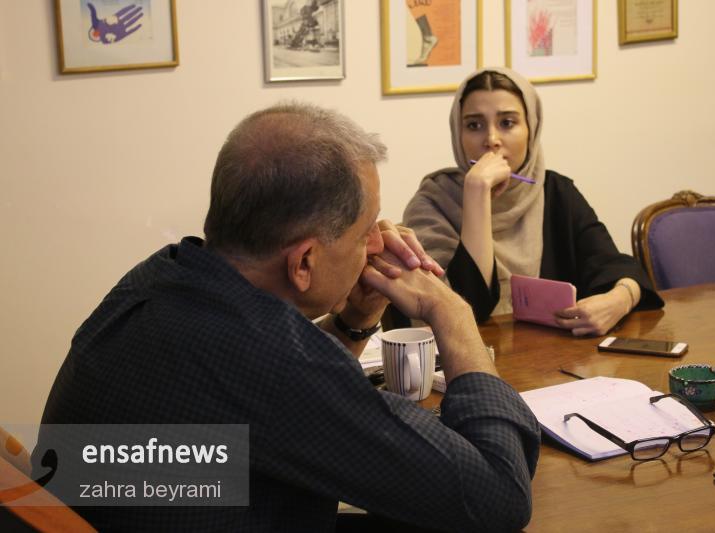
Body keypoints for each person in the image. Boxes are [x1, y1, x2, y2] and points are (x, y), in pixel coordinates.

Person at [35, 102, 540, 532]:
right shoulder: (264, 361)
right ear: (303, 263)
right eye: (365, 230)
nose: (378, 244)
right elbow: (499, 497)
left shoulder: (162, 277)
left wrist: (355, 317)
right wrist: (451, 312)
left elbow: (280, 403)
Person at [402, 67, 664, 335]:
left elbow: (615, 265)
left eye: (507, 123)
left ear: (532, 129)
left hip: (553, 356)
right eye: (474, 125)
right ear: (458, 134)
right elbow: (459, 309)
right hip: (466, 356)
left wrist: (620, 299)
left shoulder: (556, 191)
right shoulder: (433, 202)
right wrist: (477, 193)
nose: (491, 140)